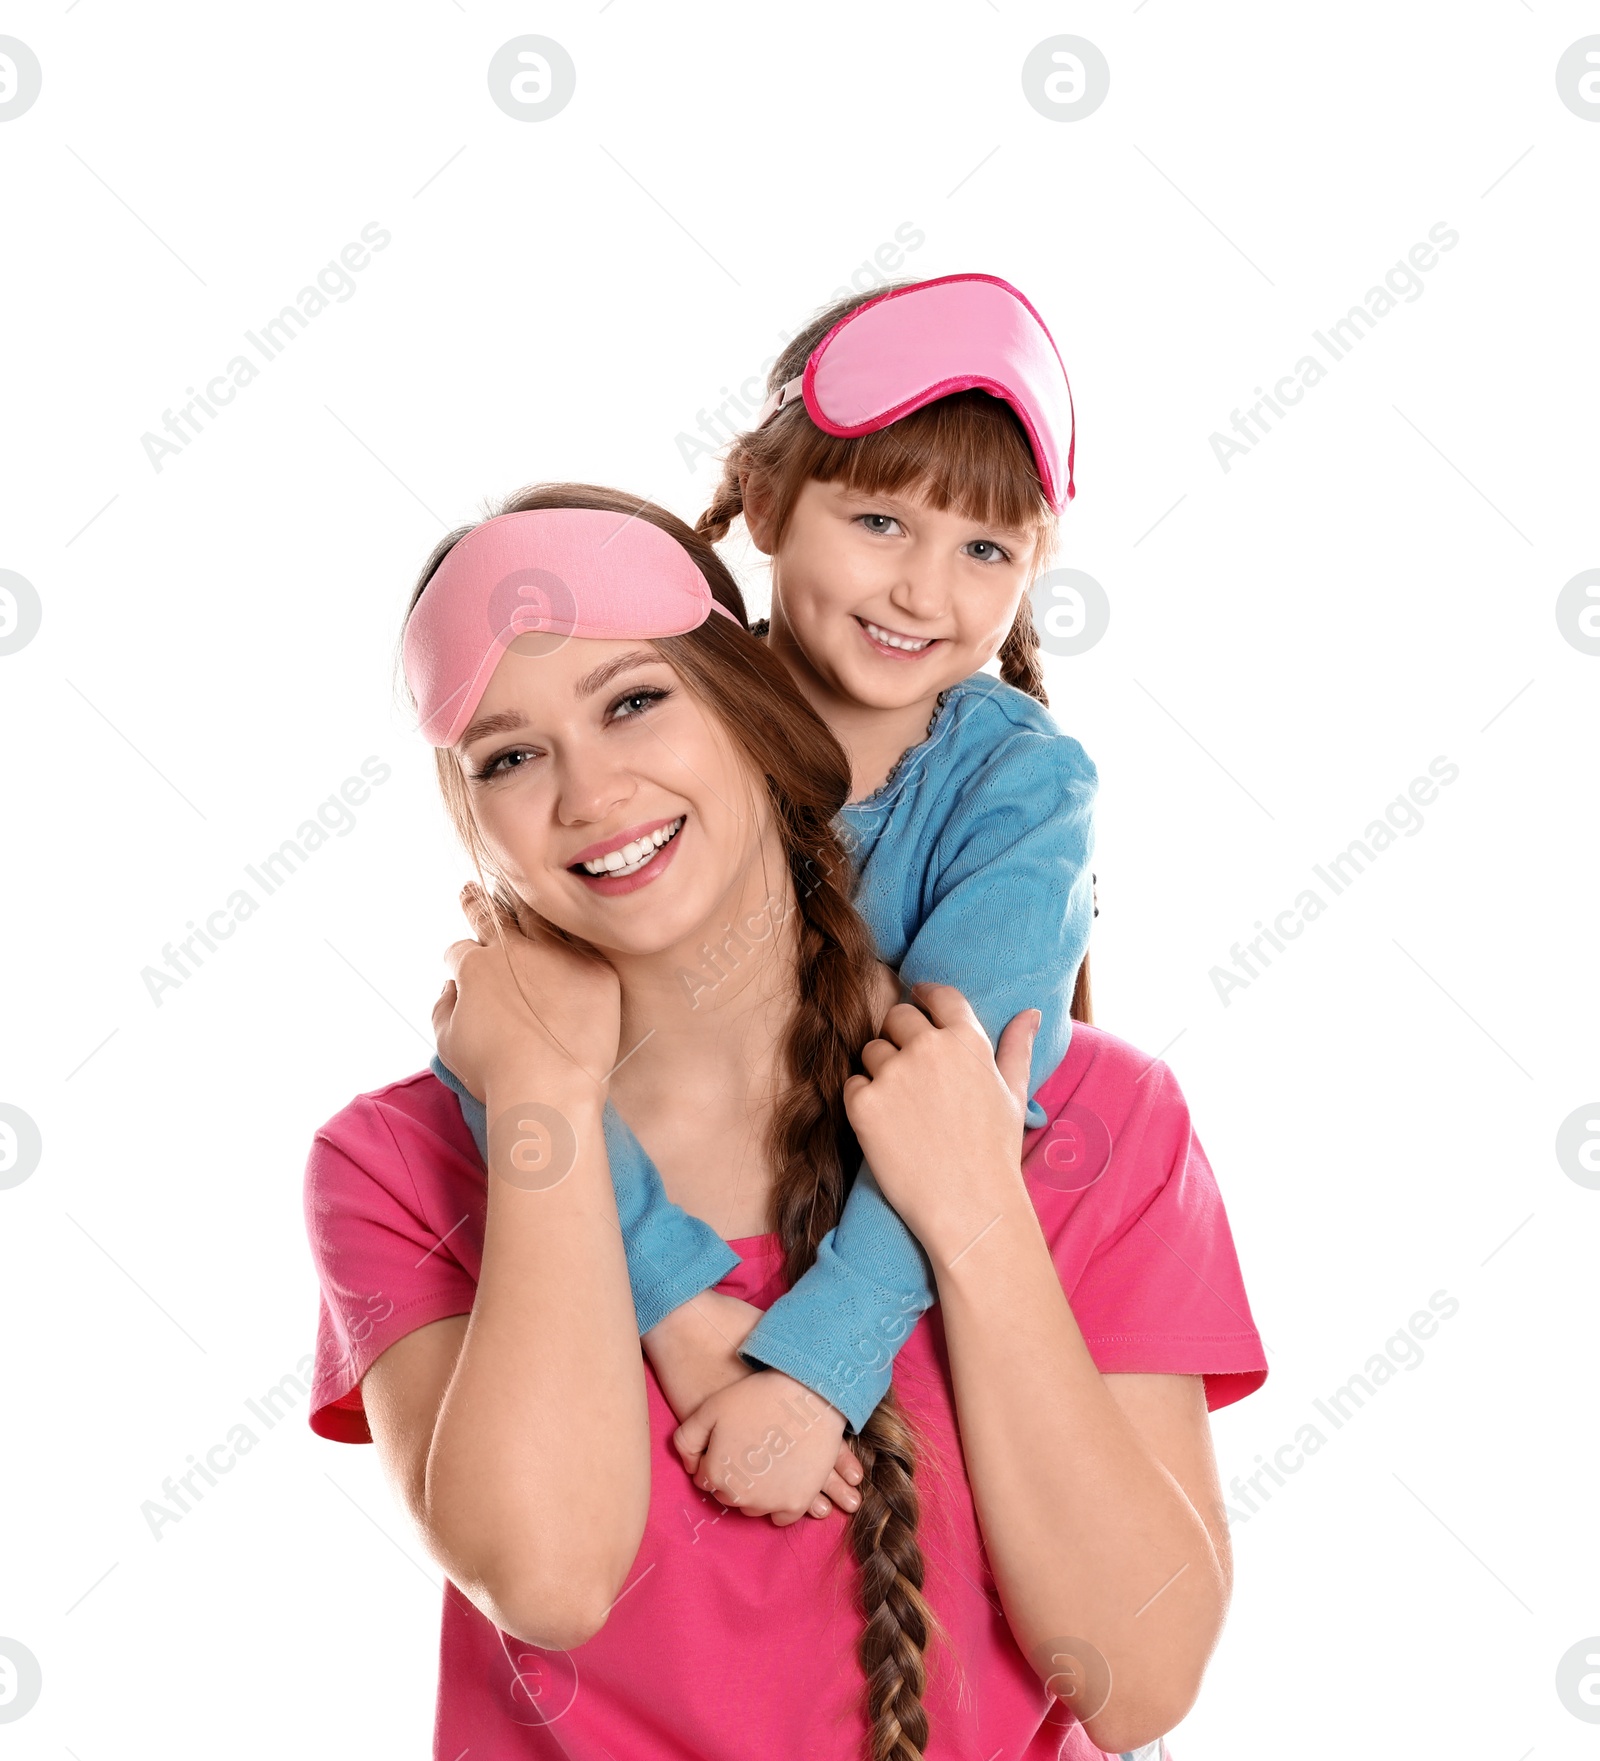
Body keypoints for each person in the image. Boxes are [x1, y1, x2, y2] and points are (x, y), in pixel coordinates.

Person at [302, 487, 1267, 1758]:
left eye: (634, 701)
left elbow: (1136, 1680)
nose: (590, 790)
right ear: (473, 828)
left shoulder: (1098, 1119)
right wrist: (537, 1098)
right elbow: (549, 1578)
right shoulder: (395, 1168)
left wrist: (971, 1206)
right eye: (509, 756)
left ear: (754, 716)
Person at [434, 276, 1100, 1525]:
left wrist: (812, 1380)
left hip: (906, 1289)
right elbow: (522, 1049)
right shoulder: (660, 733)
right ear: (767, 500)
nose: (923, 592)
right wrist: (683, 1317)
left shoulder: (1020, 787)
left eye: (986, 550)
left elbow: (954, 1107)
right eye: (881, 523)